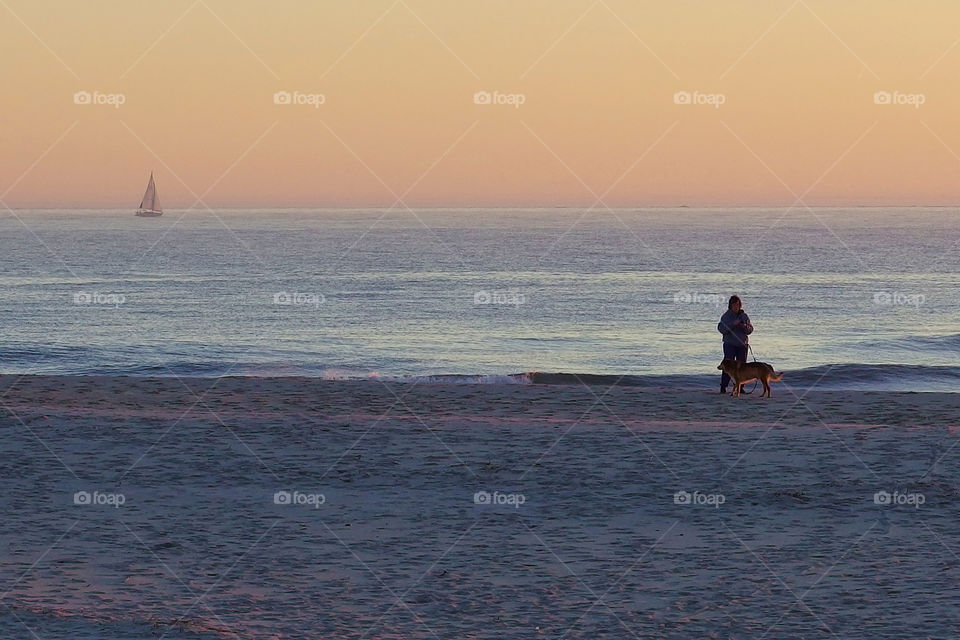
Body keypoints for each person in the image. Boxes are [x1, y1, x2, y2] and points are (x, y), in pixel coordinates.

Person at [717, 295, 753, 394]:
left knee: (743, 367)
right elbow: (722, 329)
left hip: (742, 345)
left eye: (738, 304)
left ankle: (740, 387)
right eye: (734, 304)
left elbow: (750, 330)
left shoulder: (744, 316)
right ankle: (723, 386)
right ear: (730, 305)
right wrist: (733, 324)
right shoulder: (726, 316)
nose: (736, 307)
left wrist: (744, 326)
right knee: (727, 366)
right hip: (730, 344)